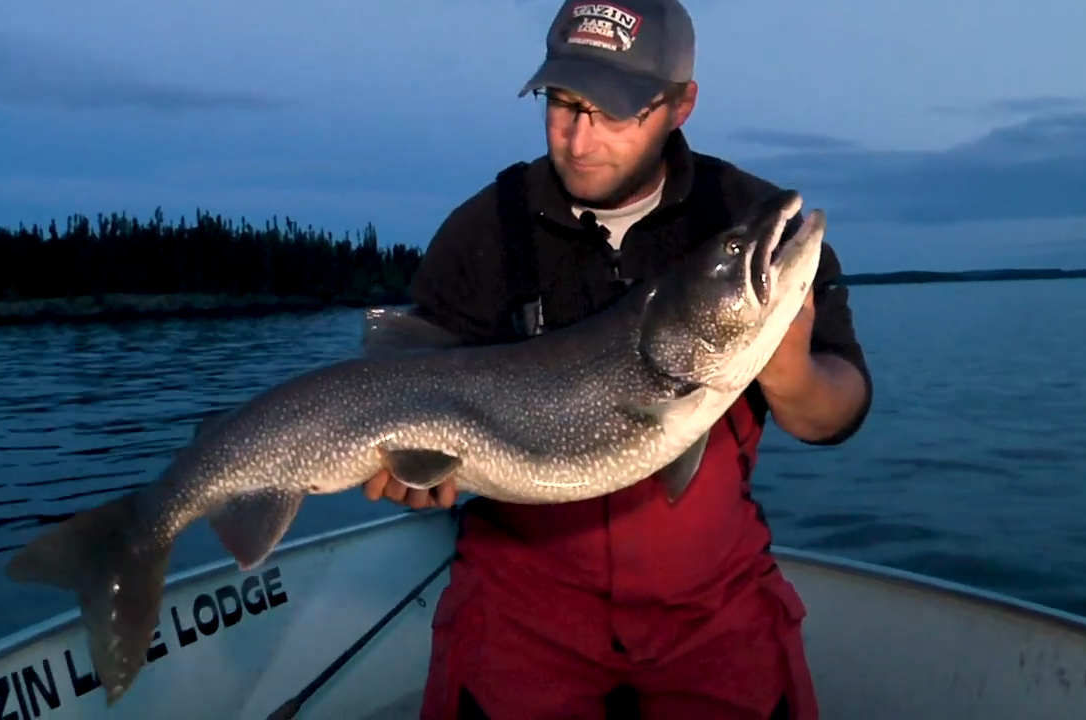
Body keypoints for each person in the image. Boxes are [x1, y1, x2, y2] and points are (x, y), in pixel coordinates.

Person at [363, 0, 873, 717]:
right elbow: (409, 368)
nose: (577, 138)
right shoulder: (485, 229)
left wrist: (789, 373)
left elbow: (842, 410)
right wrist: (415, 468)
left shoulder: (746, 220)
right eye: (562, 103)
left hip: (711, 606)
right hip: (523, 602)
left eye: (615, 111)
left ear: (681, 105)